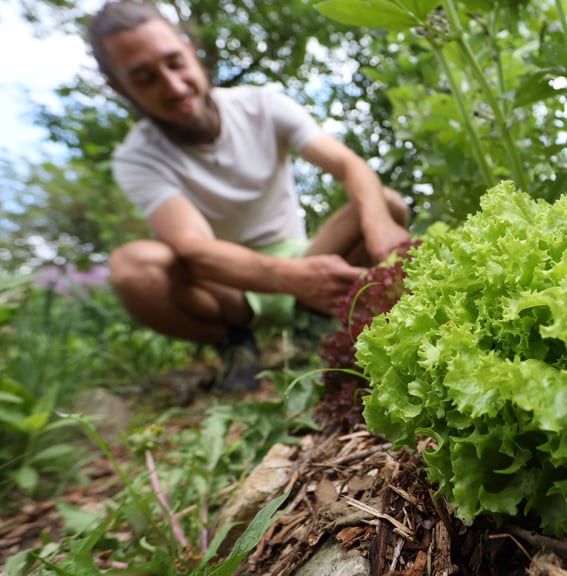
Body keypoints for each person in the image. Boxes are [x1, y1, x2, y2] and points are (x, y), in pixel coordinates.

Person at [86, 1, 411, 391]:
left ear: (190, 51)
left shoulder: (262, 106)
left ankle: (319, 320)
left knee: (387, 204)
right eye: (145, 79)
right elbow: (192, 247)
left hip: (307, 254)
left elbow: (348, 165)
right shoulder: (137, 157)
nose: (173, 87)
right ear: (119, 88)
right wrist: (292, 279)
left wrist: (379, 229)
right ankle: (233, 343)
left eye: (174, 63)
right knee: (133, 268)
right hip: (229, 285)